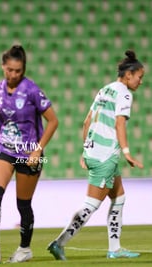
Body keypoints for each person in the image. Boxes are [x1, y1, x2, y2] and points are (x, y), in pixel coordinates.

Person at [47, 50, 144, 260]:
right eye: (139, 77)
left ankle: (115, 248)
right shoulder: (125, 94)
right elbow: (120, 123)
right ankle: (59, 242)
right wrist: (127, 152)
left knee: (119, 197)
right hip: (105, 156)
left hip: (94, 151)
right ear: (129, 75)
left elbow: (87, 121)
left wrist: (85, 150)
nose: (141, 82)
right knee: (91, 204)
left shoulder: (104, 90)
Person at [0, 44, 58, 263]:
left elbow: (53, 121)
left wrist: (38, 149)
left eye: (18, 71)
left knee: (23, 205)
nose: (13, 75)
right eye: (10, 70)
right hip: (5, 149)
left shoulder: (32, 90)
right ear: (3, 66)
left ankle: (25, 249)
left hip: (29, 153)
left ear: (24, 69)